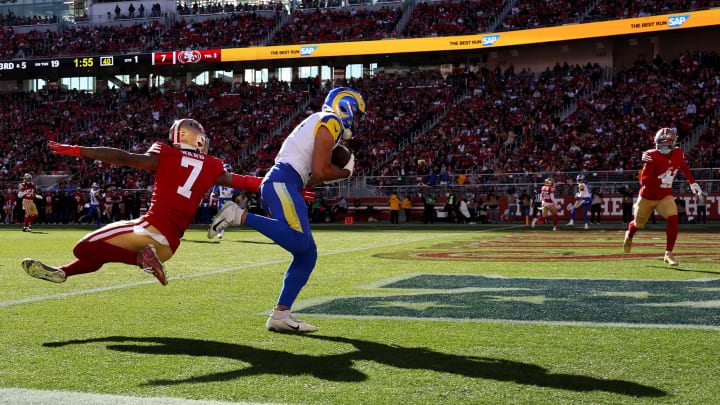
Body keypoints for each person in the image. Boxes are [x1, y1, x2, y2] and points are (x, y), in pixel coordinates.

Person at [22, 119, 268, 287]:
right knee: (99, 254)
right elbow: (246, 182)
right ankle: (63, 272)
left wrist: (79, 150)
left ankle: (140, 259)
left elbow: (124, 158)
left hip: (149, 229)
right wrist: (290, 189)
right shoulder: (212, 165)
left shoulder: (166, 154)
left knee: (83, 248)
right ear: (198, 139)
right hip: (169, 247)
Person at [207, 87, 364, 333]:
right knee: (301, 244)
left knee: (307, 254)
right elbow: (321, 171)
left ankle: (281, 315)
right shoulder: (330, 121)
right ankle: (236, 214)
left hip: (286, 183)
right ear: (346, 107)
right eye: (358, 114)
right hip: (283, 182)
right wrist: (346, 172)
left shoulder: (316, 122)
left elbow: (311, 174)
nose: (357, 120)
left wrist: (308, 183)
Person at [623, 128, 703, 266]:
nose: (664, 145)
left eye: (667, 142)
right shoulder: (651, 155)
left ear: (673, 143)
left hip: (665, 195)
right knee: (638, 223)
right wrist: (661, 181)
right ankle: (629, 235)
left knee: (673, 219)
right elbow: (644, 180)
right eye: (661, 142)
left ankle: (668, 253)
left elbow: (683, 166)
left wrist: (692, 182)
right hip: (647, 196)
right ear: (656, 143)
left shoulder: (678, 152)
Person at [210, 163, 235, 239]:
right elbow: (216, 186)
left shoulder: (233, 177)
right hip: (221, 198)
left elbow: (238, 188)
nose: (227, 172)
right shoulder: (221, 178)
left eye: (228, 170)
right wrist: (213, 192)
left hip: (229, 199)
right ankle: (221, 231)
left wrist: (232, 192)